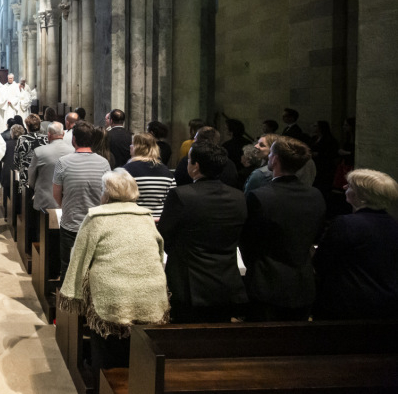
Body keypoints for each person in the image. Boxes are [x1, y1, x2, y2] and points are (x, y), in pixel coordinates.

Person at [58, 169, 169, 376]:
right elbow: (159, 252)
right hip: (151, 292)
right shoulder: (145, 216)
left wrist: (73, 291)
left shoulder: (96, 217)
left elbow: (79, 256)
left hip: (111, 295)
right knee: (136, 346)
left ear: (107, 194)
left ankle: (103, 374)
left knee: (107, 342)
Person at [158, 142, 248, 323]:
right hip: (226, 281)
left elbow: (164, 236)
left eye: (189, 160)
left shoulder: (181, 195)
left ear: (196, 166)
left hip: (188, 284)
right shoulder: (239, 196)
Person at [239, 137, 325, 321]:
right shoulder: (315, 195)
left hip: (267, 284)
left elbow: (248, 241)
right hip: (303, 283)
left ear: (275, 159)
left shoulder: (260, 197)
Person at [312, 169, 398, 320]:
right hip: (386, 306)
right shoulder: (394, 225)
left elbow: (321, 262)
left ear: (362, 196)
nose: (344, 187)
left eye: (350, 186)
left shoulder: (346, 224)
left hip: (347, 305)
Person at [53, 121, 112, 282]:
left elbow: (56, 194)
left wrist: (66, 207)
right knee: (93, 268)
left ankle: (67, 298)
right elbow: (107, 194)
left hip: (71, 223)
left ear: (74, 140)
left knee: (68, 267)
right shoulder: (104, 163)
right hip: (95, 223)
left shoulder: (63, 162)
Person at [123, 132, 177, 220]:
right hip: (159, 222)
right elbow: (172, 201)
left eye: (132, 144)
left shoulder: (126, 171)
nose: (130, 146)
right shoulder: (167, 173)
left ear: (138, 147)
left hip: (136, 220)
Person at [13, 114, 48, 187]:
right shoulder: (46, 139)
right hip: (42, 177)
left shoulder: (22, 139)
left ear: (27, 126)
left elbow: (16, 160)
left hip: (26, 176)